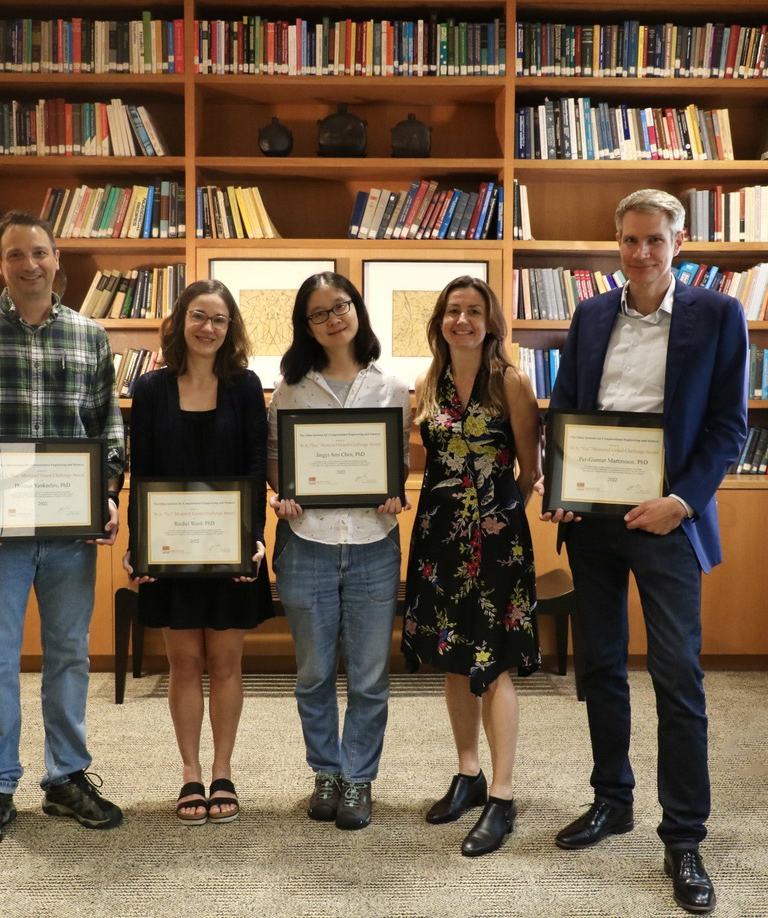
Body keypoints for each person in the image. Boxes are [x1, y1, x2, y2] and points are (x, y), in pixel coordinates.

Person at [541, 189, 748, 915]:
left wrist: (682, 501)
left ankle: (684, 835)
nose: (640, 253)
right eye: (628, 241)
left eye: (654, 241)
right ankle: (611, 800)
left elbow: (729, 425)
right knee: (599, 666)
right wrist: (559, 484)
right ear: (615, 243)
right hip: (592, 516)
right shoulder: (591, 313)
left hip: (666, 517)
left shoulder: (717, 315)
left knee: (675, 677)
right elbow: (565, 407)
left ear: (678, 242)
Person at [0, 211, 126, 851]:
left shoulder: (89, 336)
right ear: (0, 264)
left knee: (70, 655)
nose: (30, 264)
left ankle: (66, 777)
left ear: (56, 256)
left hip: (71, 534)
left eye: (39, 252)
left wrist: (111, 496)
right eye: (16, 255)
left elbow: (107, 428)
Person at [123, 279, 273, 825]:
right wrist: (140, 547)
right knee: (183, 662)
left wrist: (253, 540)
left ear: (230, 329)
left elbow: (257, 469)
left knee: (227, 662)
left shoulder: (245, 386)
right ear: (180, 321)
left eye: (219, 319)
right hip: (171, 550)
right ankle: (190, 773)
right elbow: (143, 473)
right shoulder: (151, 389)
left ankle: (223, 770)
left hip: (232, 551)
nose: (208, 327)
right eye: (198, 316)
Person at [402, 276, 542, 857]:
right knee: (453, 659)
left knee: (497, 663)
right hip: (437, 536)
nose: (462, 320)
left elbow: (529, 468)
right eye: (453, 311)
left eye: (474, 311)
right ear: (439, 321)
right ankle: (468, 773)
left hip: (496, 538)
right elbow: (414, 458)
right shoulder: (426, 384)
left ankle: (502, 796)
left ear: (490, 322)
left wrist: (499, 517)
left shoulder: (510, 381)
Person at [267, 271, 411, 831]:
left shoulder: (392, 389)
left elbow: (396, 464)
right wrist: (285, 494)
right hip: (307, 543)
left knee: (371, 675)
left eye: (341, 306)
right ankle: (325, 771)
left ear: (357, 310)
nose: (333, 319)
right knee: (314, 673)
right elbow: (279, 459)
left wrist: (394, 492)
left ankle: (358, 779)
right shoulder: (289, 389)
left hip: (374, 542)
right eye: (319, 313)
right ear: (306, 326)